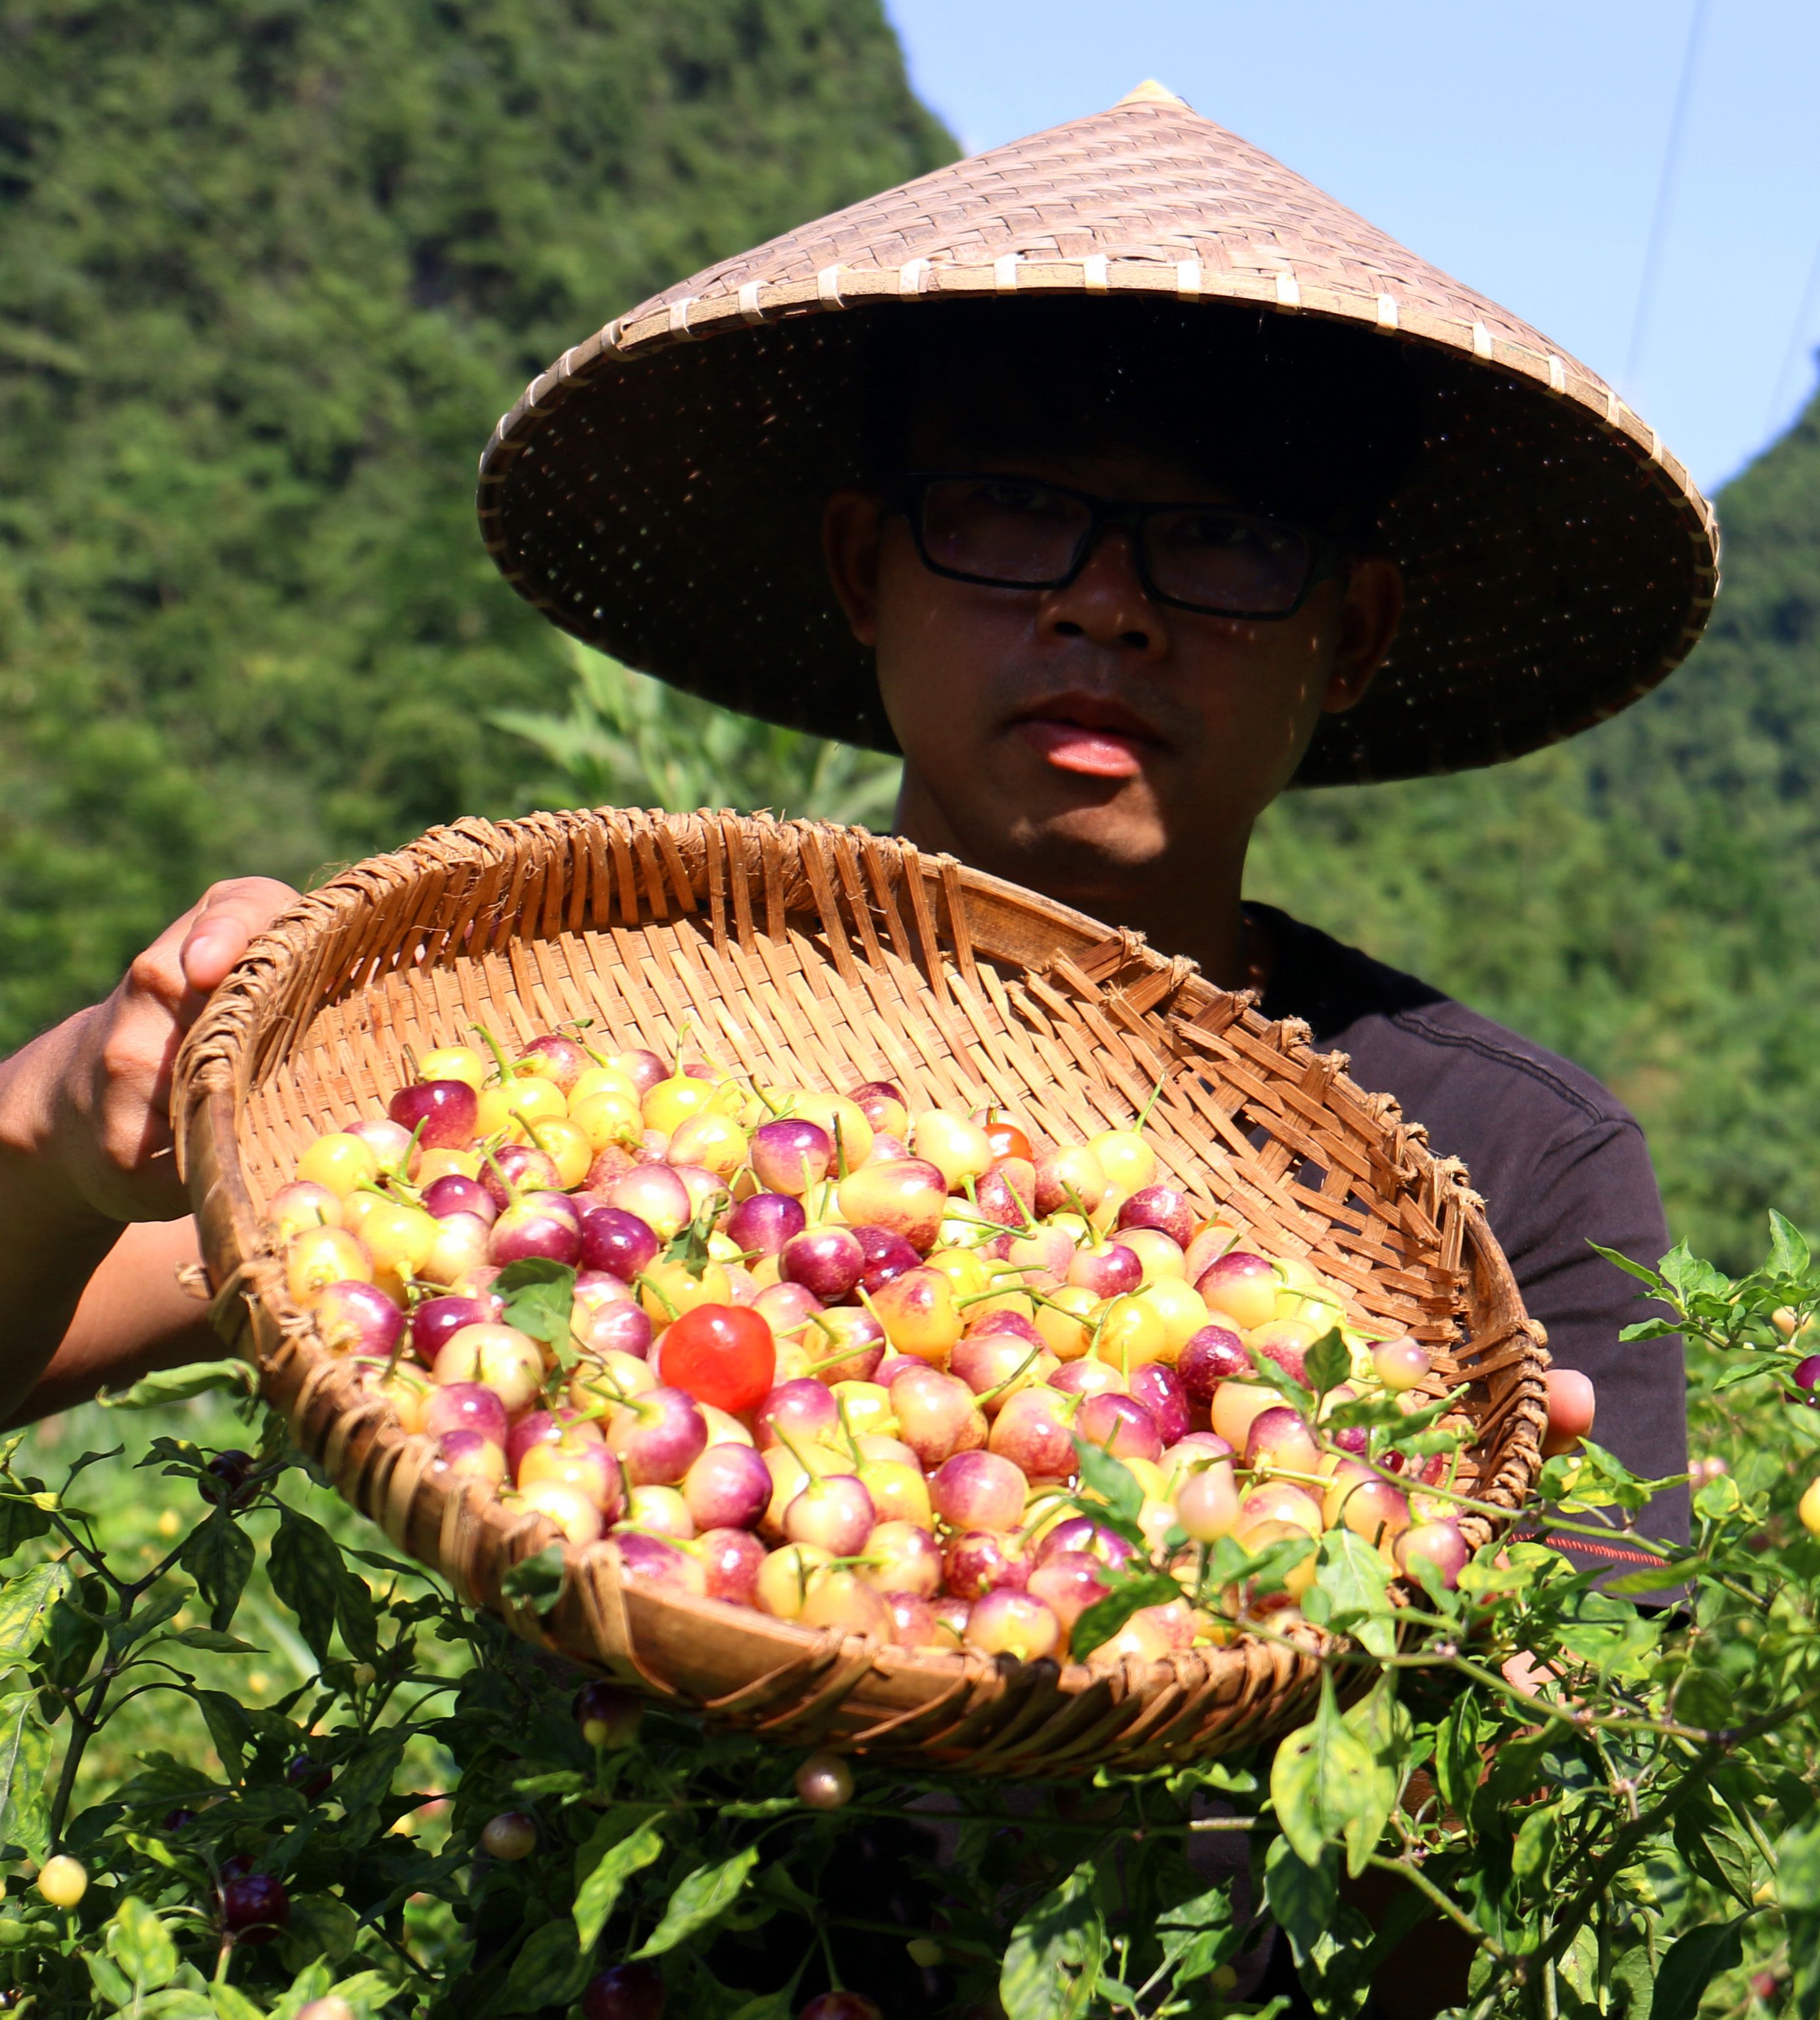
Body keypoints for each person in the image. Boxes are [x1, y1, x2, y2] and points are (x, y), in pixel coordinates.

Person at [0, 84, 1709, 1574]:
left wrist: (1467, 1630)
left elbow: (1539, 1854)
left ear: (1356, 634)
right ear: (858, 570)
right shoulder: (572, 1054)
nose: (1105, 608)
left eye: (1225, 541)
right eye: (1013, 513)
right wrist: (60, 1127)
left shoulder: (1492, 1178)